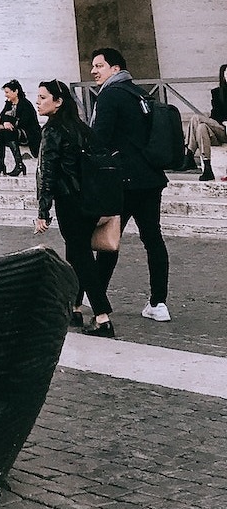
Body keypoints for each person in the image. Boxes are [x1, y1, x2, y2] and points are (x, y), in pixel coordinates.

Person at [89, 47, 172, 322]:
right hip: (150, 178)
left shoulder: (110, 95)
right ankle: (159, 303)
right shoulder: (139, 93)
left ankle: (97, 296)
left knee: (109, 240)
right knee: (153, 239)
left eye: (99, 66)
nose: (93, 71)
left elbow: (99, 138)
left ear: (115, 69)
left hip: (122, 180)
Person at [33, 79, 115, 337]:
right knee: (75, 253)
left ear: (58, 102)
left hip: (70, 202)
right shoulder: (81, 128)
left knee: (81, 257)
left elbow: (47, 173)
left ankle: (102, 317)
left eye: (43, 97)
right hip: (90, 200)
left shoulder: (53, 131)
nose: (38, 101)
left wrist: (42, 211)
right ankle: (75, 309)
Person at [182, 63, 226, 181]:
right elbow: (215, 114)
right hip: (219, 129)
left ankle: (189, 154)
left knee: (196, 118)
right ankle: (207, 169)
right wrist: (222, 121)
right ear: (223, 76)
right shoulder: (217, 93)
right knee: (201, 127)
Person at [0, 79, 40, 177]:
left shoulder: (25, 104)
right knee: (0, 134)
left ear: (16, 91)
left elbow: (23, 122)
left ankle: (19, 164)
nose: (6, 95)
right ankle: (1, 165)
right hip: (15, 131)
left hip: (29, 133)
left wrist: (6, 121)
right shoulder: (8, 103)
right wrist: (5, 122)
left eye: (7, 92)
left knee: (7, 132)